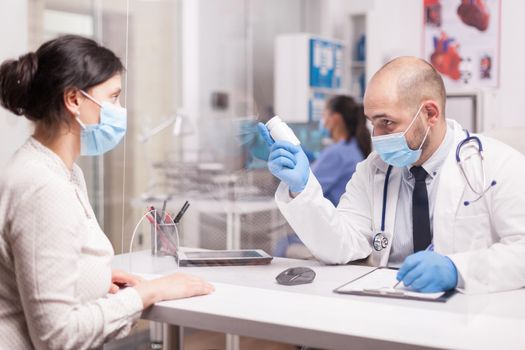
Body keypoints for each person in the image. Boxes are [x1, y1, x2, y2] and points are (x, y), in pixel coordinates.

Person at [0, 35, 213, 350]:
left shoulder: (64, 172)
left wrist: (92, 277)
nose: (120, 110)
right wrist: (148, 293)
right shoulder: (42, 187)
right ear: (73, 99)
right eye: (113, 97)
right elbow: (58, 337)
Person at [258, 56, 525, 294]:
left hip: (468, 316)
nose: (377, 136)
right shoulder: (372, 170)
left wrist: (458, 269)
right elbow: (342, 244)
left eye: (387, 122)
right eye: (372, 122)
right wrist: (302, 189)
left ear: (430, 113)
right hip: (389, 306)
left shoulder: (497, 164)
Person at [273, 95, 371, 257]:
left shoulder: (336, 153)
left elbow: (308, 185)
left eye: (323, 115)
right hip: (348, 226)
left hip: (334, 226)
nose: (322, 121)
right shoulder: (353, 147)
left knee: (284, 243)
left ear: (335, 119)